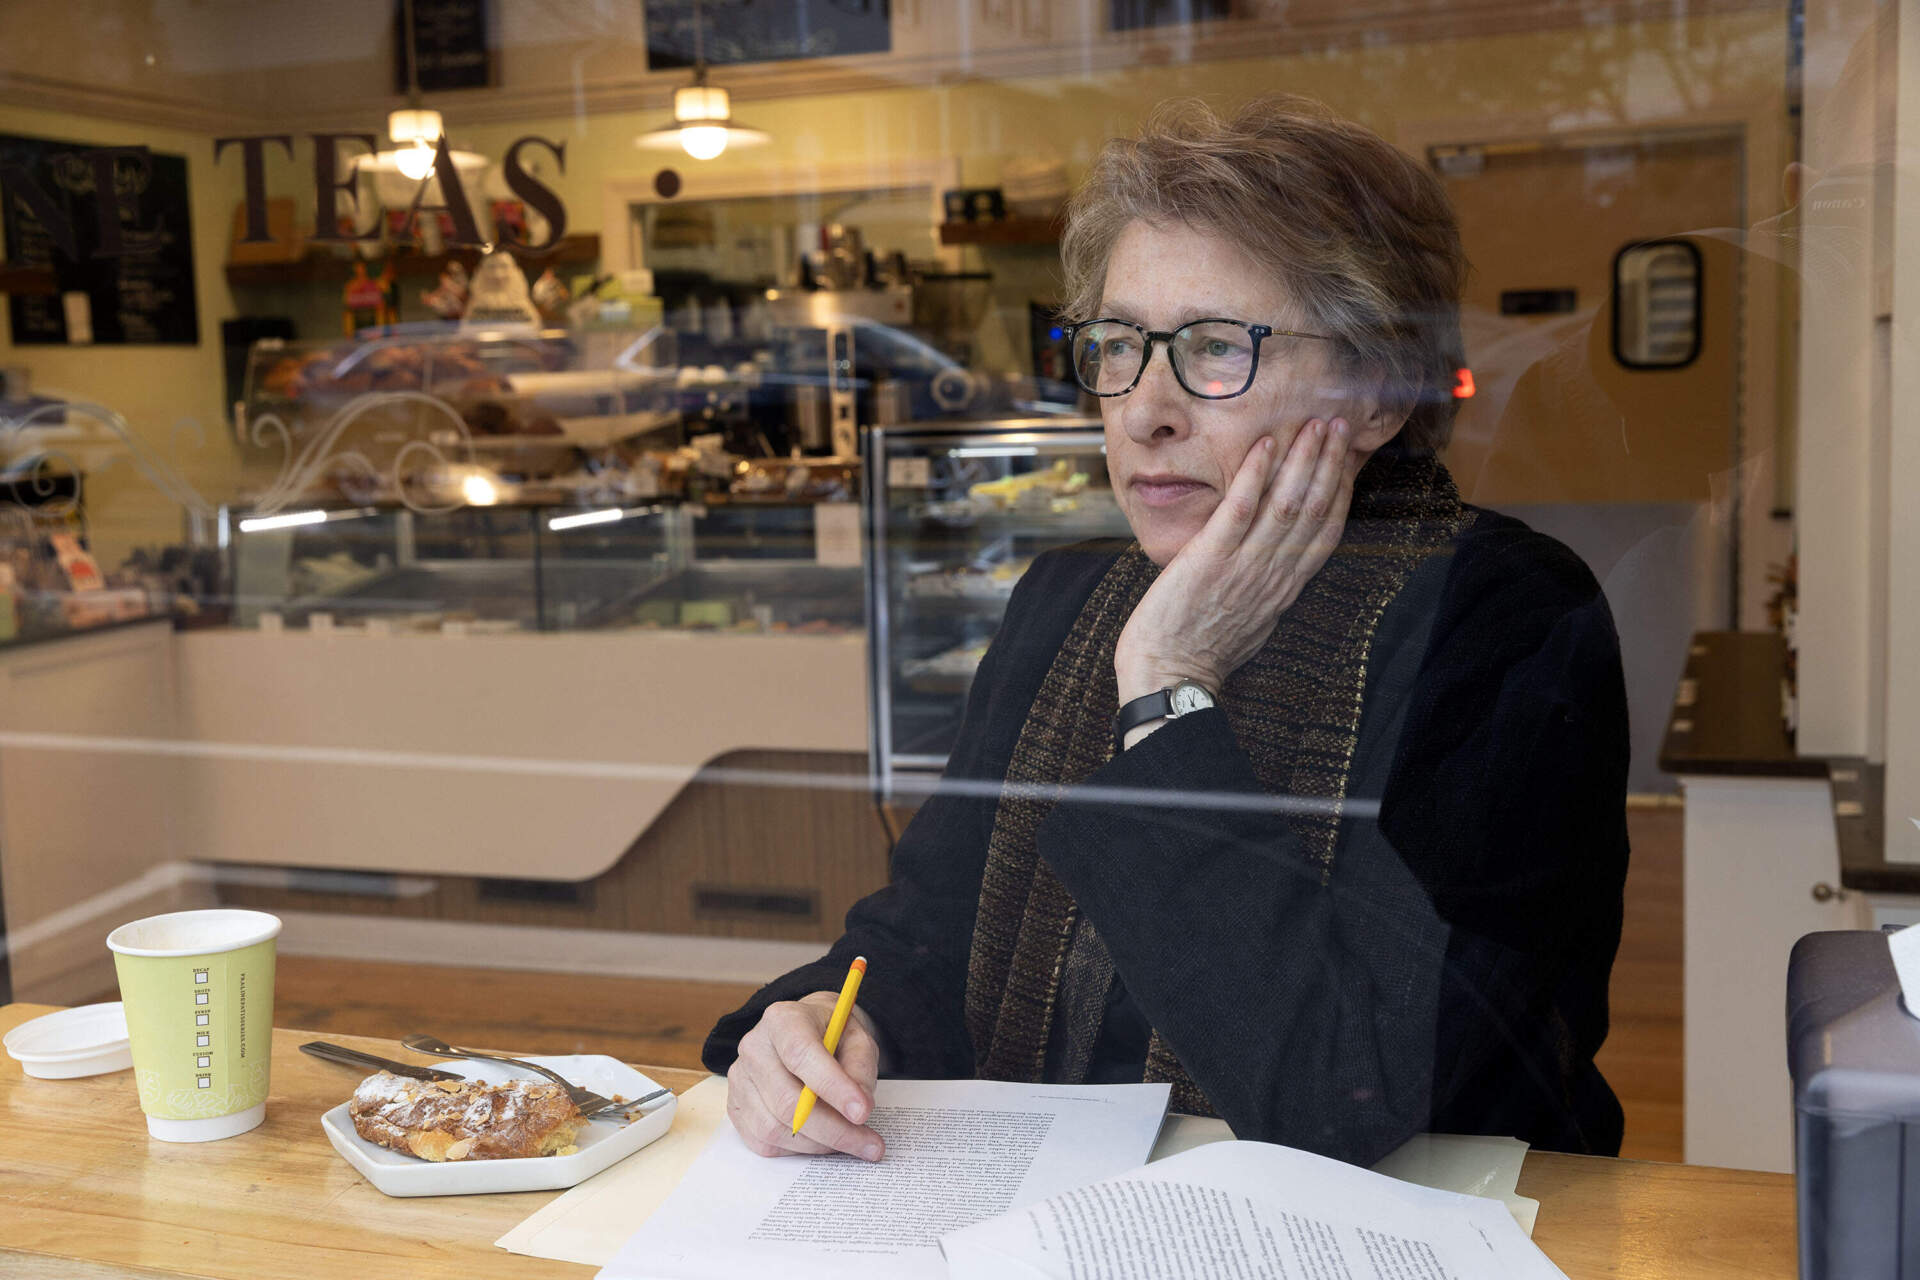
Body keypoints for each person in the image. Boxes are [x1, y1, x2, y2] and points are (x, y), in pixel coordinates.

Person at [703, 96, 1630, 1169]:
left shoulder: (1504, 619)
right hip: (1061, 1207)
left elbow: (1349, 1089)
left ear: (1379, 390)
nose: (1144, 409)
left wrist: (1168, 686)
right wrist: (832, 1019)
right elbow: (923, 935)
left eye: (1216, 348)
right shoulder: (1063, 602)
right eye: (1117, 345)